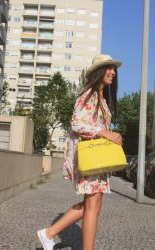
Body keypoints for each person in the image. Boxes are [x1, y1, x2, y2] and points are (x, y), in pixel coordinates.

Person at [37, 54, 123, 250]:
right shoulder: (89, 95)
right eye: (108, 68)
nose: (113, 72)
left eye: (114, 69)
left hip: (98, 161)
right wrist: (104, 133)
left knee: (94, 206)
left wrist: (110, 134)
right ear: (98, 72)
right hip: (91, 160)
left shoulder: (101, 98)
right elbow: (76, 123)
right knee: (93, 206)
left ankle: (48, 233)